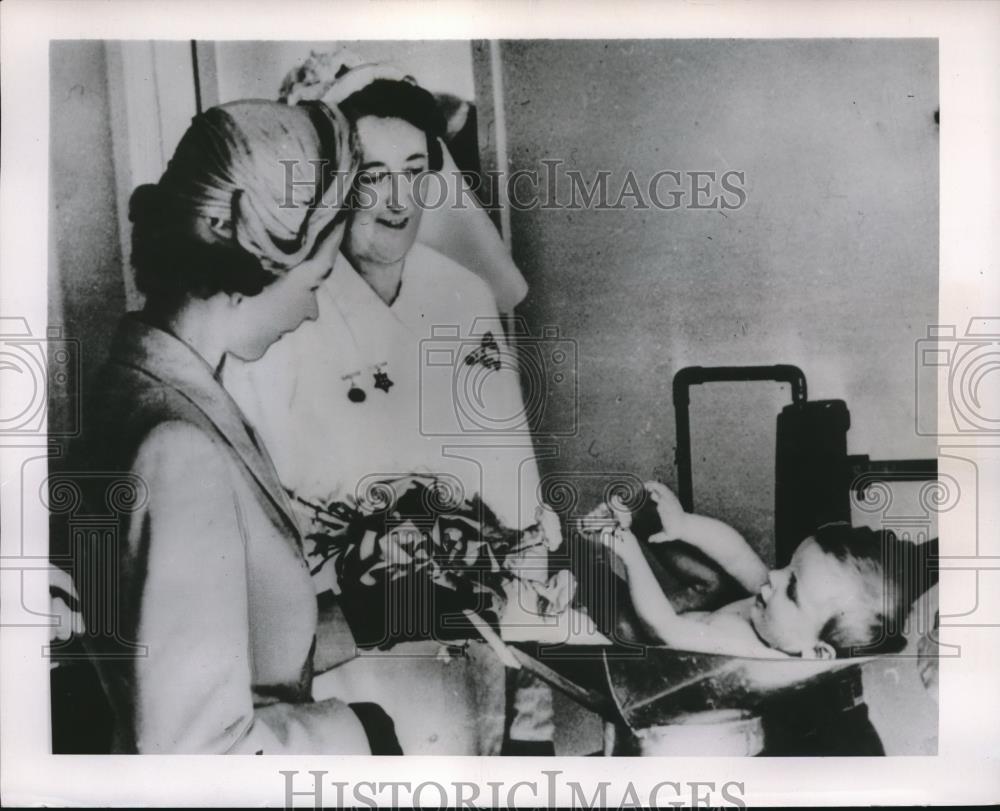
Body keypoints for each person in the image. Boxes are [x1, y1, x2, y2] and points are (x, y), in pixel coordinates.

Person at [223, 56, 553, 756]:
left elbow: (513, 480)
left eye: (414, 170)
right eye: (373, 175)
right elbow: (250, 520)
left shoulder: (460, 295)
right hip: (340, 663)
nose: (398, 200)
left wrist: (533, 683)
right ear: (335, 182)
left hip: (467, 643)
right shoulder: (283, 313)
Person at [73, 99, 400, 754]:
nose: (311, 310)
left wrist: (362, 619)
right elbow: (197, 754)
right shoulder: (178, 447)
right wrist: (358, 732)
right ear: (258, 266)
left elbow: (218, 659)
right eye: (316, 278)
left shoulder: (141, 394)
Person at [611, 482, 921, 659]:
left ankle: (580, 555)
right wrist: (685, 525)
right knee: (716, 578)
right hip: (681, 616)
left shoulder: (755, 656)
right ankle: (647, 526)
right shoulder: (778, 616)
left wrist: (631, 557)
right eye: (788, 567)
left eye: (791, 589)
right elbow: (735, 554)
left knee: (624, 628)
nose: (774, 576)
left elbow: (665, 629)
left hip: (654, 642)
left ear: (816, 652)